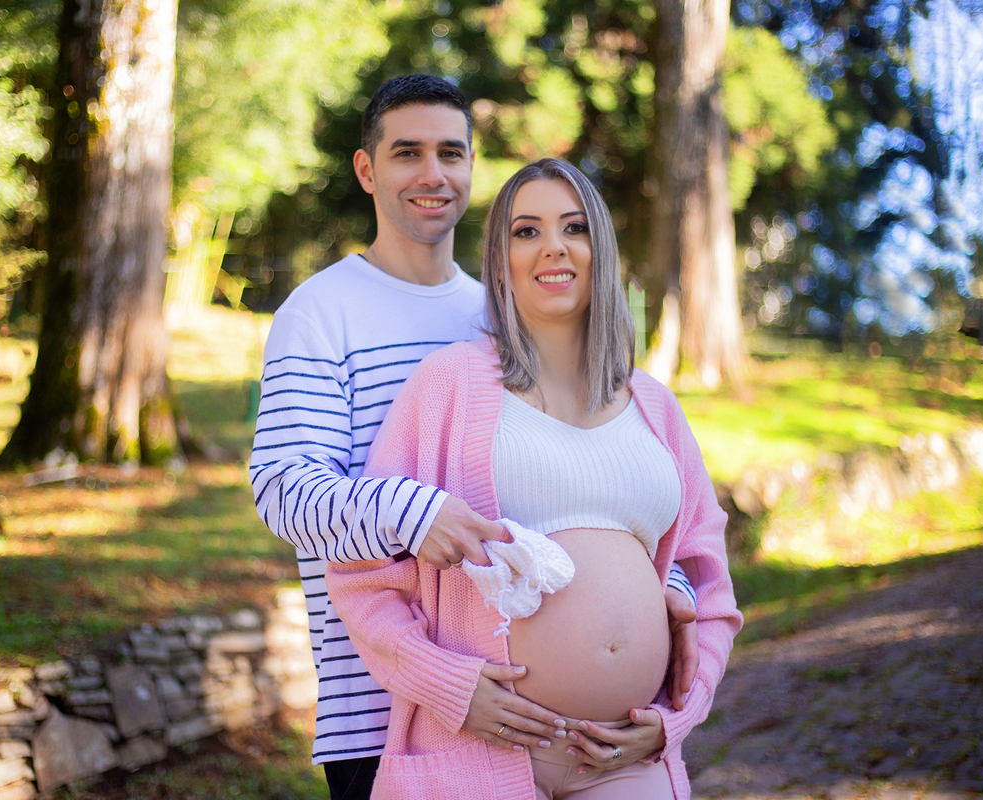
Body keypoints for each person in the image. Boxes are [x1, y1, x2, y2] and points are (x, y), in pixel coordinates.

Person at [249, 76, 700, 800]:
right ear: (367, 170)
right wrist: (413, 515)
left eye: (451, 153)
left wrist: (655, 584)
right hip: (381, 705)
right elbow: (283, 491)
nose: (433, 174)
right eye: (407, 154)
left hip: (549, 712)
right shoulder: (320, 311)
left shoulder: (502, 315)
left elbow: (576, 482)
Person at [326, 158, 742, 800]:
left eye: (574, 227)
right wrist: (448, 687)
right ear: (500, 261)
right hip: (473, 753)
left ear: (599, 248)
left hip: (624, 763)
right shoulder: (448, 388)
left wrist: (673, 721)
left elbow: (707, 584)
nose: (553, 245)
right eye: (527, 231)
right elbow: (363, 575)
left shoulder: (655, 406)